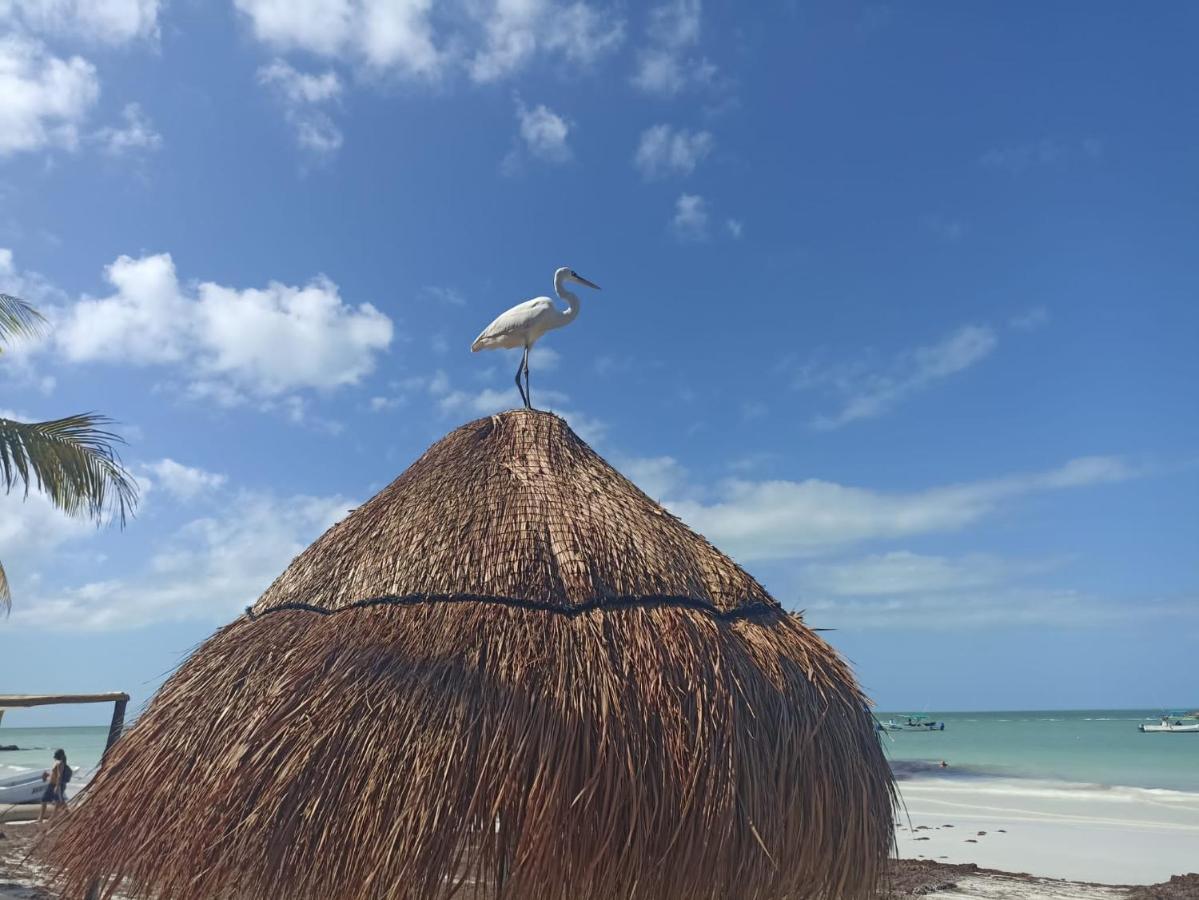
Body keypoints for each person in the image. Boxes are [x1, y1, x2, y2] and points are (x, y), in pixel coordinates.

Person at [38, 748, 71, 824]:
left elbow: (59, 776)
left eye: (55, 754)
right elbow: (55, 774)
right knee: (45, 800)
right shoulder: (57, 763)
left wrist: (57, 786)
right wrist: (47, 775)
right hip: (52, 784)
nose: (54, 756)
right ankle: (41, 818)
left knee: (57, 801)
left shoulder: (60, 764)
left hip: (57, 785)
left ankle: (52, 818)